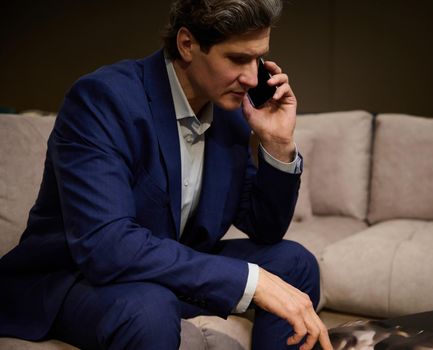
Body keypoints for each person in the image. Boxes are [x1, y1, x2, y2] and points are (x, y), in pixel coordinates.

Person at [0, 0, 333, 349]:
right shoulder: (102, 100)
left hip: (164, 270)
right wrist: (251, 281)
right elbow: (107, 245)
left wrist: (278, 144)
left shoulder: (232, 114)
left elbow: (265, 227)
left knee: (294, 263)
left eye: (258, 58)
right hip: (76, 279)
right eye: (237, 59)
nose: (252, 78)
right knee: (147, 308)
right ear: (187, 44)